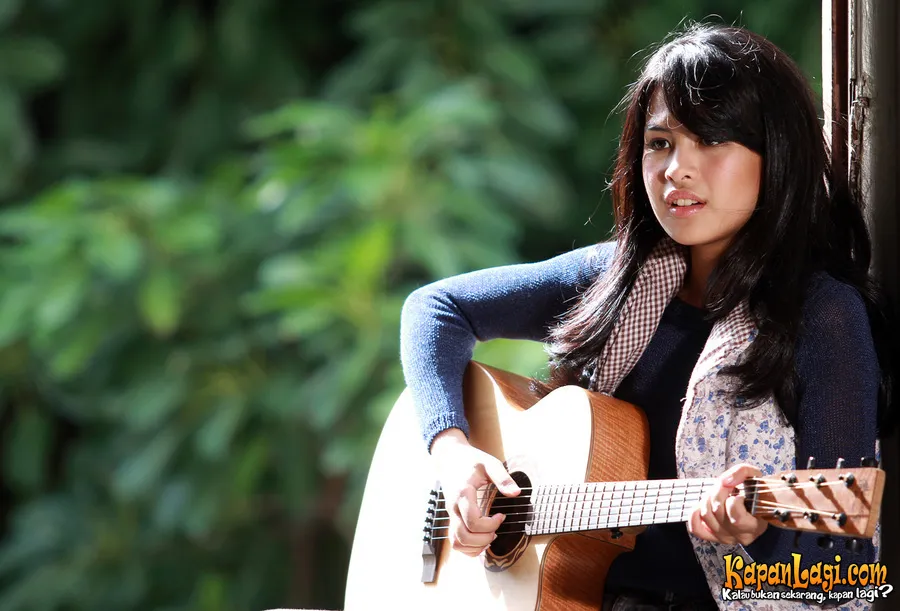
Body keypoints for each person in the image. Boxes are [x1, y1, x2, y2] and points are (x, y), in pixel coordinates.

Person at [399, 23, 895, 611]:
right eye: (660, 142)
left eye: (711, 140)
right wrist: (454, 456)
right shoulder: (615, 279)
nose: (677, 169)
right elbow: (434, 308)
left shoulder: (824, 316)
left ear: (777, 155)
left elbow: (842, 580)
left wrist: (755, 539)